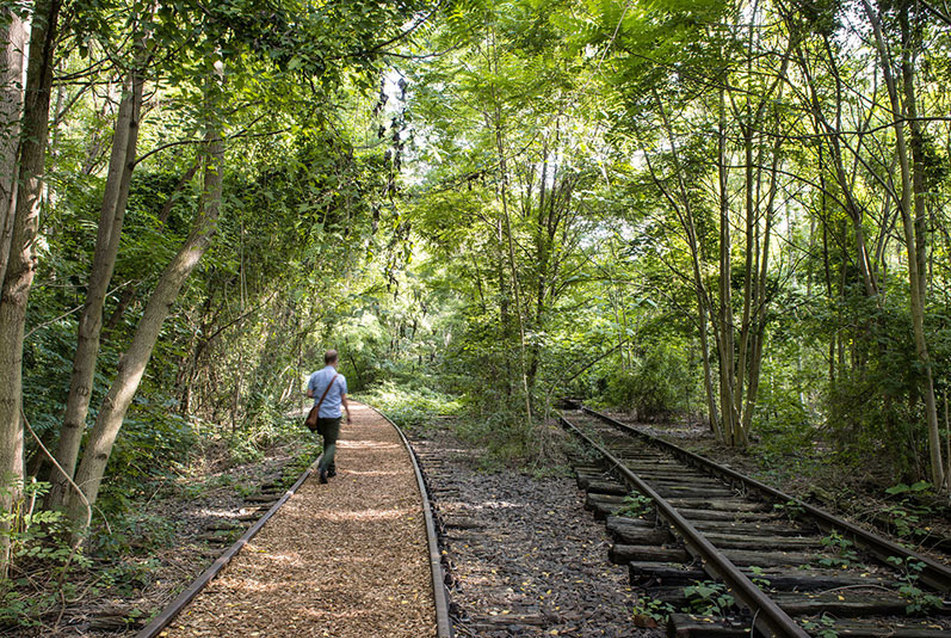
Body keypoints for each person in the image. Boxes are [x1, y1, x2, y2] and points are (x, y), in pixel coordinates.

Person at [306, 349, 351, 484]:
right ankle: (323, 468)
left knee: (326, 441)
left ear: (325, 360)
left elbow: (309, 394)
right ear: (335, 361)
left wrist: (319, 395)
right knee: (331, 443)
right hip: (333, 415)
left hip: (319, 415)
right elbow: (343, 398)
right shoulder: (340, 378)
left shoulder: (315, 375)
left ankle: (331, 470)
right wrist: (348, 413)